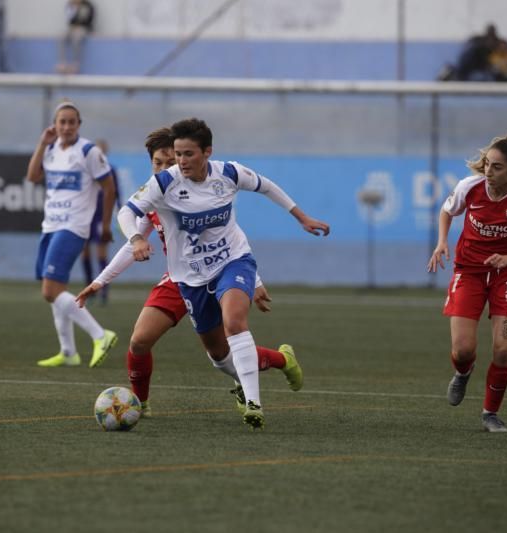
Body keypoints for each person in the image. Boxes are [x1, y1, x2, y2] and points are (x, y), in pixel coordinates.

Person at [116, 118, 330, 430]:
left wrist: (301, 217)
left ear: (207, 152)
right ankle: (281, 359)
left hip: (233, 261)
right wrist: (135, 239)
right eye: (178, 154)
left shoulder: (229, 173)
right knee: (218, 355)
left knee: (234, 321)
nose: (181, 161)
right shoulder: (165, 183)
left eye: (188, 154)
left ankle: (254, 403)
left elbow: (266, 185)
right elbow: (126, 212)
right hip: (190, 278)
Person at [76, 127, 304, 418]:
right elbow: (130, 244)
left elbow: (228, 235)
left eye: (169, 161)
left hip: (218, 270)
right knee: (141, 341)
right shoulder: (156, 194)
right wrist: (99, 282)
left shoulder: (200, 188)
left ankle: (265, 375)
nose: (164, 168)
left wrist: (254, 280)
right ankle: (141, 404)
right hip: (179, 279)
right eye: (157, 162)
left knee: (230, 335)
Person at [427, 133, 507, 433]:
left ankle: (490, 413)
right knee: (463, 350)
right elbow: (447, 210)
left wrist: (506, 260)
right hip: (469, 271)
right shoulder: (470, 186)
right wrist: (441, 242)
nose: (488, 173)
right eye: (487, 165)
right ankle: (463, 373)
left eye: (497, 167)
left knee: (503, 350)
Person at [25, 101, 118, 368]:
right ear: (55, 124)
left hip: (74, 226)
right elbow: (32, 177)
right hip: (50, 225)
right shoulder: (51, 149)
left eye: (71, 122)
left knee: (49, 290)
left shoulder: (89, 151)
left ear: (79, 124)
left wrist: (106, 224)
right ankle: (68, 352)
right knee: (57, 290)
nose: (66, 127)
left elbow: (109, 189)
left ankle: (101, 335)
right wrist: (42, 144)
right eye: (61, 122)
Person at [80, 138, 121, 303]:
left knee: (101, 252)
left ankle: (104, 290)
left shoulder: (111, 171)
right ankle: (90, 289)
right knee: (85, 251)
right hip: (85, 216)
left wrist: (118, 212)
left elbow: (116, 193)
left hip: (101, 216)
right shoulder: (86, 171)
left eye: (103, 151)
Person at [437, 24, 507, 82]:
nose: (490, 41)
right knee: (459, 73)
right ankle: (447, 73)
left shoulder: (499, 44)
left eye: (493, 36)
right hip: (473, 64)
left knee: (504, 71)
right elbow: (466, 52)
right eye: (489, 36)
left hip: (490, 67)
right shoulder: (478, 41)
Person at [56, 0, 95, 74]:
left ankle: (75, 64)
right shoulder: (70, 5)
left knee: (76, 38)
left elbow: (88, 19)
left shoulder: (88, 5)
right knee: (62, 37)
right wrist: (74, 8)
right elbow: (69, 19)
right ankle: (62, 63)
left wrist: (79, 10)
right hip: (73, 28)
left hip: (84, 28)